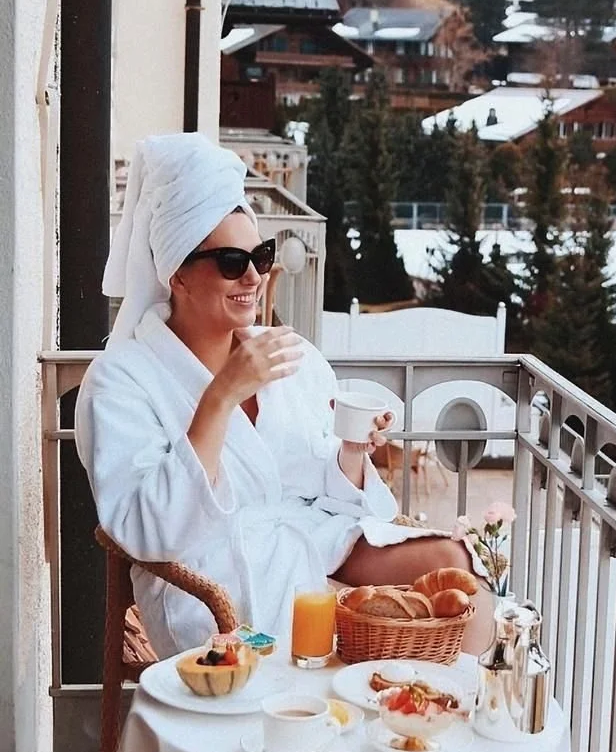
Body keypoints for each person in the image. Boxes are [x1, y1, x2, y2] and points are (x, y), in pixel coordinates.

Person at [76, 133, 492, 657]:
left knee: (457, 565)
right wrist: (221, 397)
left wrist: (351, 453)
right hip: (212, 580)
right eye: (232, 262)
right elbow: (146, 530)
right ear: (177, 273)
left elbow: (316, 486)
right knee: (335, 651)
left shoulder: (290, 359)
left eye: (261, 255)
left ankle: (459, 704)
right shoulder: (122, 381)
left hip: (311, 543)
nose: (254, 276)